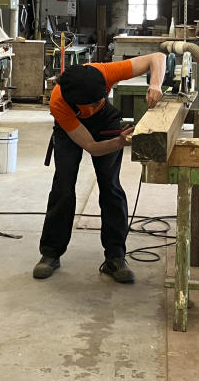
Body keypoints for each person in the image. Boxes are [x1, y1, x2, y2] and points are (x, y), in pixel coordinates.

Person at [33, 53, 166, 283]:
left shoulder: (103, 73)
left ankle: (115, 257)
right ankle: (50, 253)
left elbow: (158, 57)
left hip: (106, 123)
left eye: (101, 98)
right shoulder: (59, 102)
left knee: (110, 186)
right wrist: (119, 142)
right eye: (93, 103)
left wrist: (155, 85)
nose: (98, 103)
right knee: (63, 187)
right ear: (77, 102)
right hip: (70, 131)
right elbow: (92, 147)